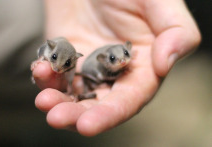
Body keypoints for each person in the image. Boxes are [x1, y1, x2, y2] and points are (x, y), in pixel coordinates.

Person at [32, 0, 201, 136]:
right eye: (115, 59)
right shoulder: (54, 50)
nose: (122, 62)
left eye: (126, 55)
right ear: (104, 60)